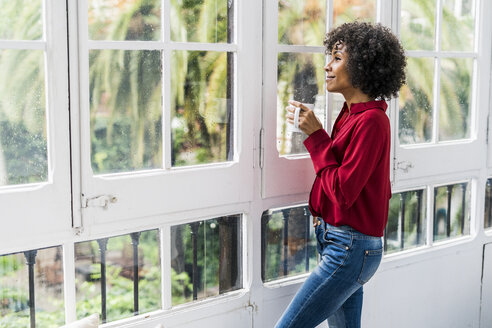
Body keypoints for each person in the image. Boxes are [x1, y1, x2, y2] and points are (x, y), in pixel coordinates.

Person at [275, 21, 406, 328]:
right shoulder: (350, 113)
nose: (327, 66)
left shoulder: (372, 121)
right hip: (338, 241)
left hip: (350, 248)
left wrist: (315, 135)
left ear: (361, 66)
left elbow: (342, 191)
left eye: (337, 58)